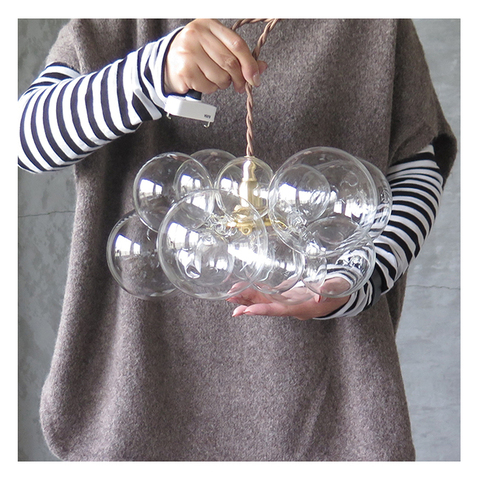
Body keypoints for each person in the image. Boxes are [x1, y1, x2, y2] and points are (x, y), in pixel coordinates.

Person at [18, 19, 456, 461]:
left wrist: (352, 280)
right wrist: (154, 70)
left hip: (329, 410)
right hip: (134, 400)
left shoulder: (377, 23)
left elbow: (417, 166)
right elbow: (24, 138)